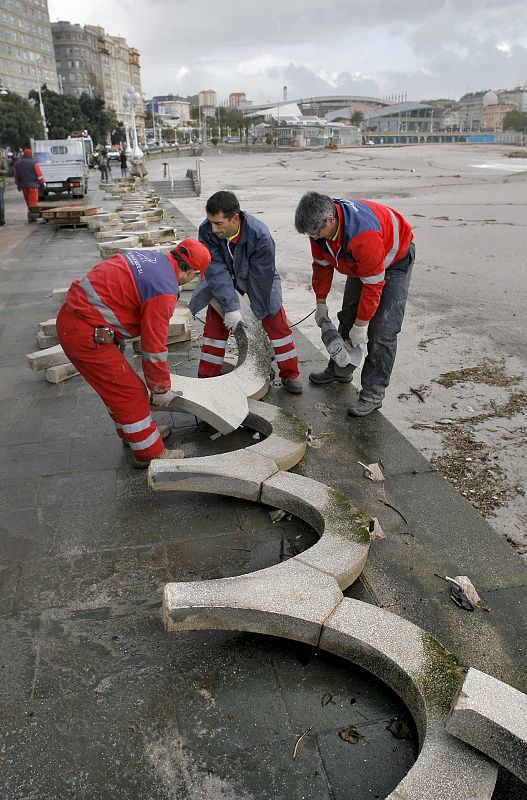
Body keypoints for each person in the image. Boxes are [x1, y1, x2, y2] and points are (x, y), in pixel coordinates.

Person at [56, 239, 212, 468]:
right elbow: (154, 347)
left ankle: (137, 436)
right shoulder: (163, 290)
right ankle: (149, 453)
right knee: (131, 393)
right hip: (83, 333)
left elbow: (117, 291)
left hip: (78, 321)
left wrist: (115, 332)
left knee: (117, 389)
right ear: (191, 272)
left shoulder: (153, 258)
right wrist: (160, 388)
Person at [294, 191, 415, 416]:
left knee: (382, 331)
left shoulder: (363, 235)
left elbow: (373, 286)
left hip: (393, 260)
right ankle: (340, 369)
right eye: (309, 234)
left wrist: (361, 326)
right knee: (348, 315)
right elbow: (321, 267)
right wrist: (320, 302)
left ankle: (373, 393)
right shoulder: (317, 230)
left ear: (330, 220)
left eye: (315, 233)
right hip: (361, 261)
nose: (313, 237)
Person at [189, 190, 302, 394]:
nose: (213, 229)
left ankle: (290, 374)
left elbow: (261, 279)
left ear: (234, 218)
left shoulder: (260, 234)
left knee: (276, 324)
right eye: (211, 222)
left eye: (219, 224)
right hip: (224, 281)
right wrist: (231, 307)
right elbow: (216, 271)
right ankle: (206, 378)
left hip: (259, 280)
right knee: (215, 329)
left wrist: (254, 317)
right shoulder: (207, 230)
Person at [12, 148, 45, 222]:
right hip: (33, 186)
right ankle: (32, 217)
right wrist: (43, 182)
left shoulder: (17, 164)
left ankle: (30, 216)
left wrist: (18, 184)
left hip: (23, 186)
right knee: (32, 202)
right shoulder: (33, 163)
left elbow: (16, 176)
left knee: (28, 202)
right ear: (30, 154)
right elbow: (39, 175)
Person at [0, 148, 8, 225]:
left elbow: (6, 170)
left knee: (0, 201)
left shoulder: (2, 161)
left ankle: (1, 218)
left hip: (1, 184)